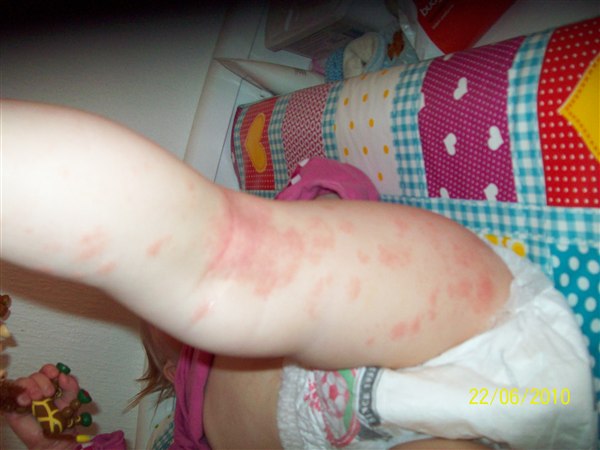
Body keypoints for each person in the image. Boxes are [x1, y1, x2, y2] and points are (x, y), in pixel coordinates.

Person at [1, 99, 596, 449]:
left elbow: (337, 210)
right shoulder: (189, 433)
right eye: (163, 356)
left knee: (236, 257)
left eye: (157, 315)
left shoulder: (263, 293)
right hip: (494, 408)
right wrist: (57, 444)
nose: (168, 336)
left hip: (450, 333)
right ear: (163, 383)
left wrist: (298, 220)